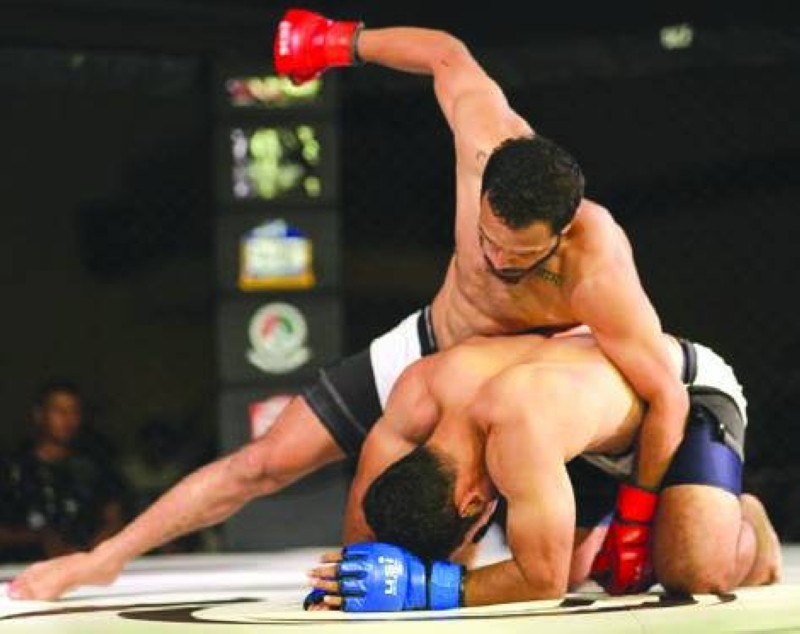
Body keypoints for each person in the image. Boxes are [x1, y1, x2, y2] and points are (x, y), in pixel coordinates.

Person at [9, 9, 684, 598]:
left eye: (521, 256)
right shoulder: (486, 139)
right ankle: (102, 559)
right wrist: (338, 42)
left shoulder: (600, 267)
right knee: (263, 462)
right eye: (488, 240)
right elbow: (446, 54)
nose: (498, 261)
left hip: (506, 387)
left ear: (562, 233)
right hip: (429, 345)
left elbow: (665, 393)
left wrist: (637, 515)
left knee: (536, 563)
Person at [304, 331, 780, 610]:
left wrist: (421, 587)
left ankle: (747, 520)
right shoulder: (419, 392)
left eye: (475, 529)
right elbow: (374, 495)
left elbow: (541, 581)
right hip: (588, 432)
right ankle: (676, 514)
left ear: (473, 504)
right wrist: (351, 578)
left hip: (682, 394)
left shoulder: (516, 429)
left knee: (693, 573)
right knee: (578, 572)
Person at [0, 380, 126, 564]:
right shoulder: (12, 467)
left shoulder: (95, 466)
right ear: (39, 414)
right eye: (59, 411)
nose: (69, 420)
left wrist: (86, 554)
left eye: (75, 412)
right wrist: (37, 537)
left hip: (84, 567)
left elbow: (114, 520)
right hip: (19, 569)